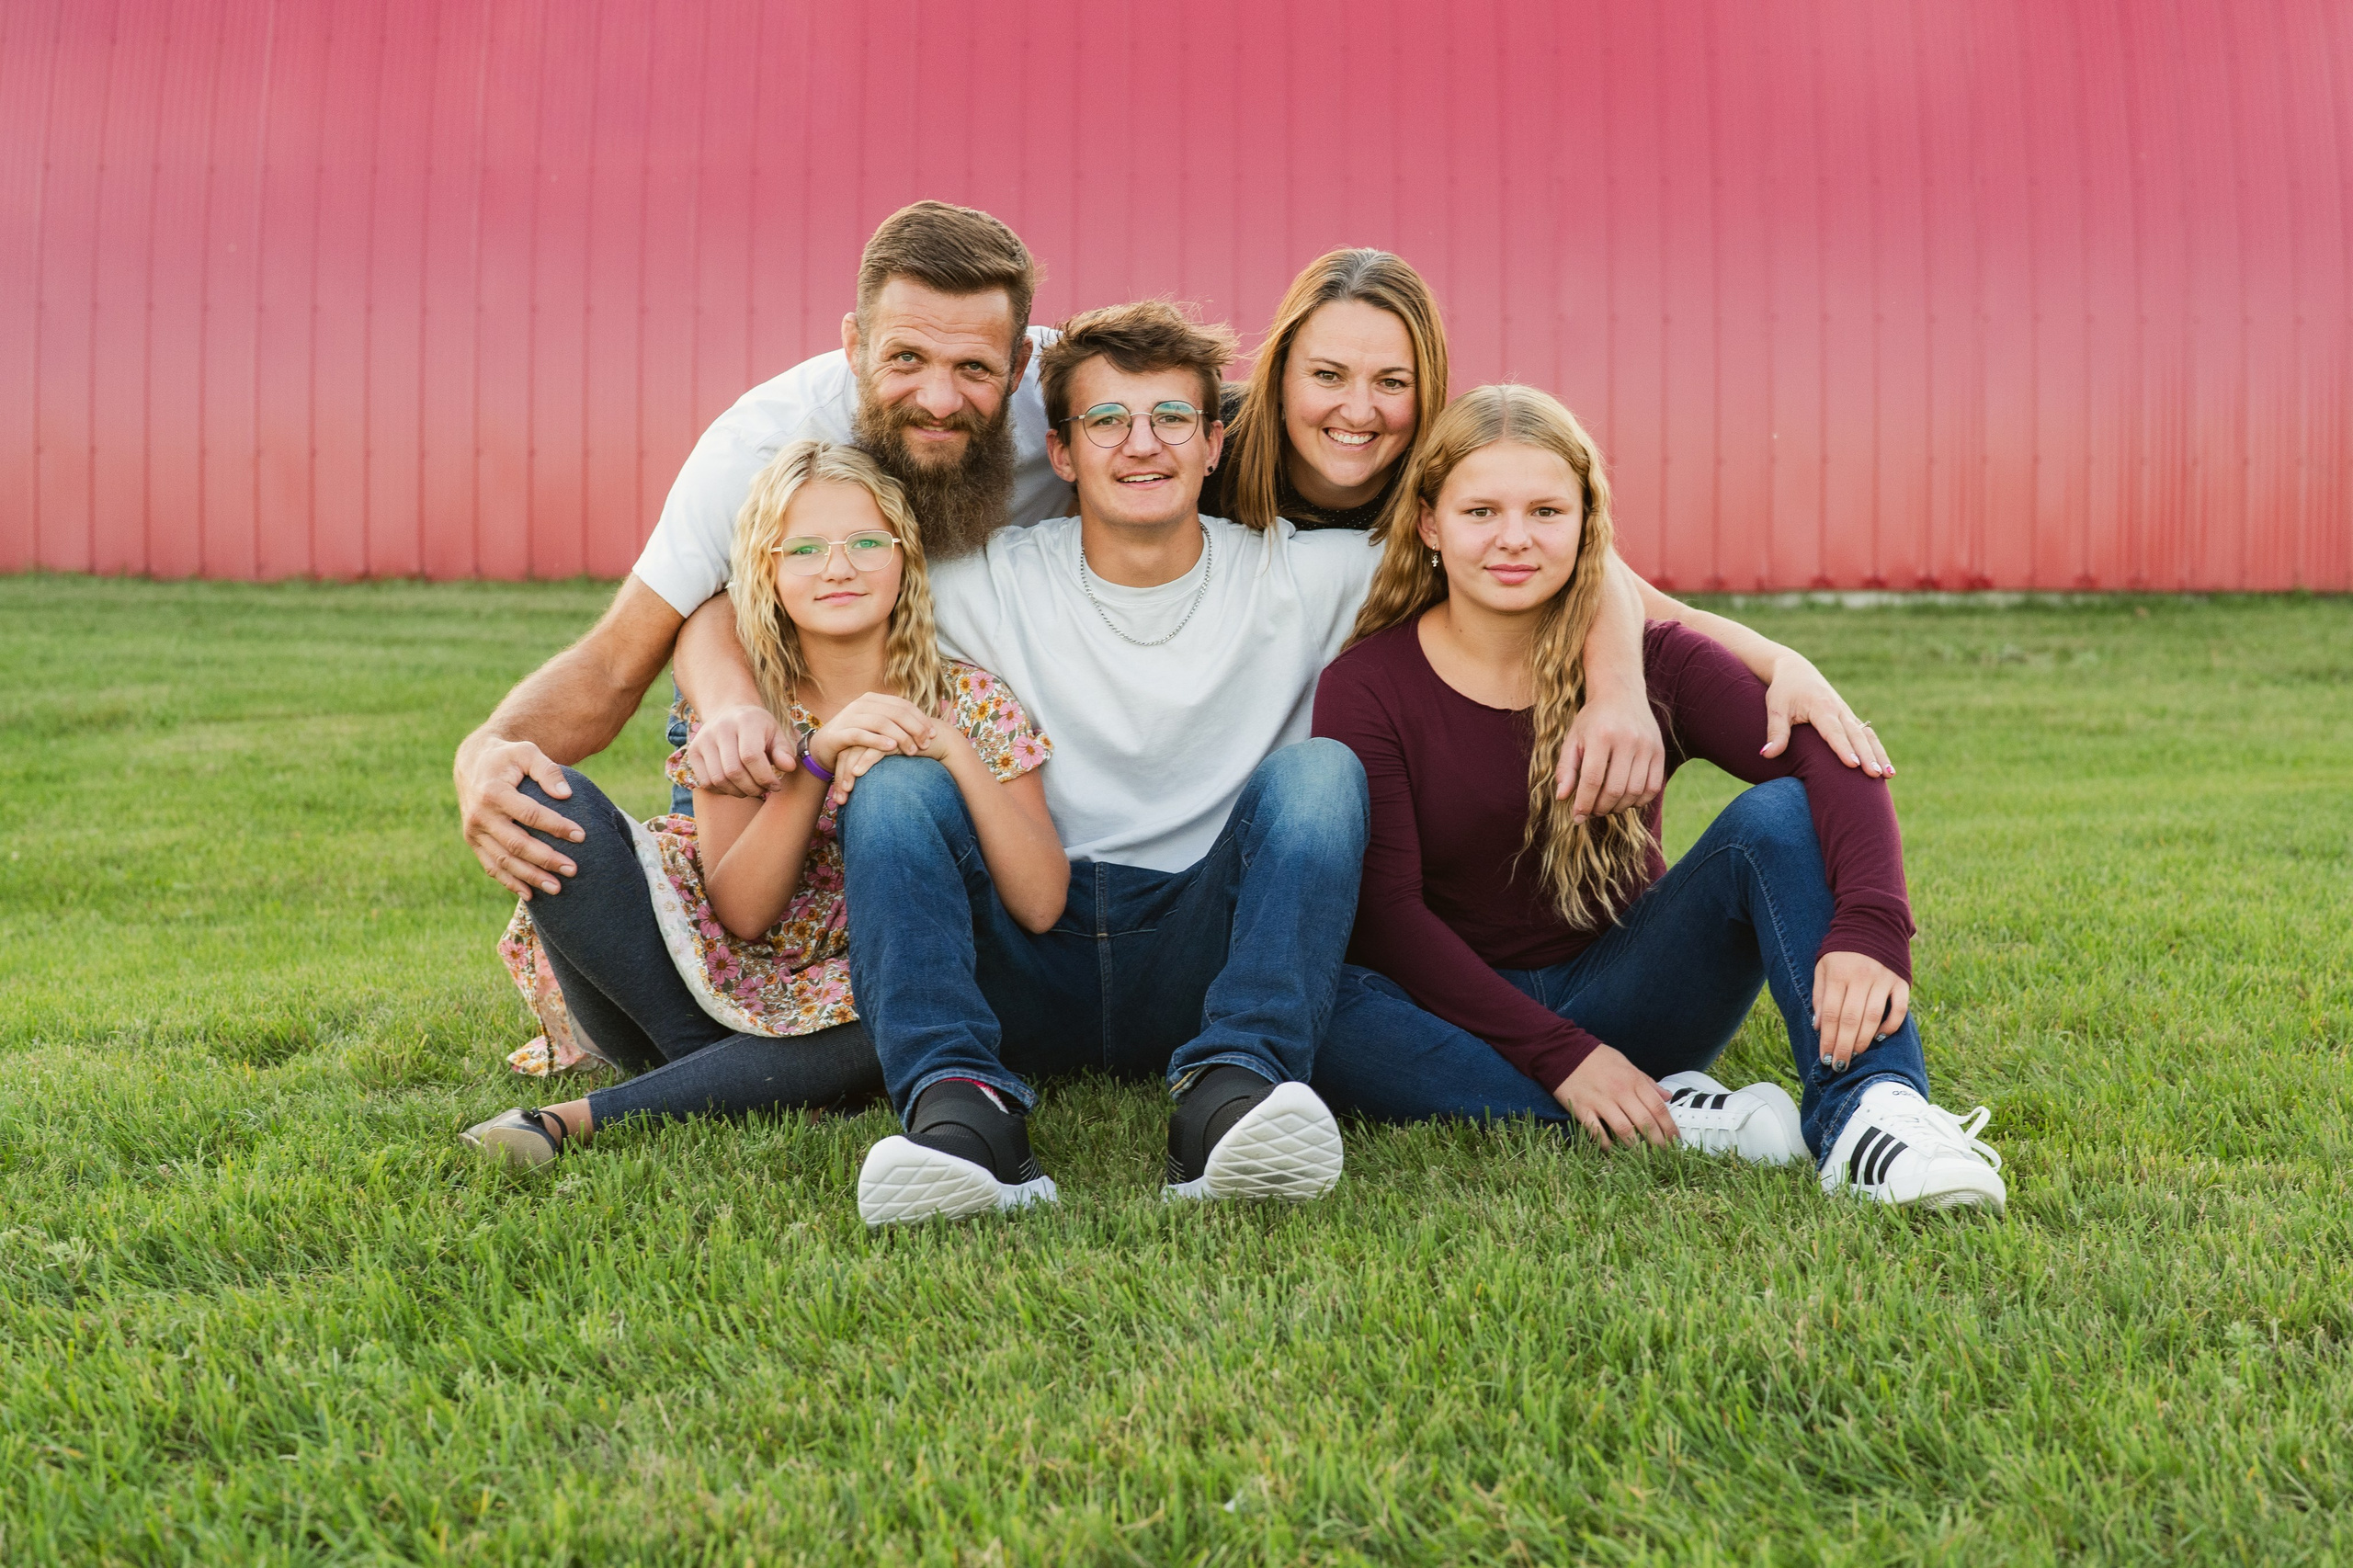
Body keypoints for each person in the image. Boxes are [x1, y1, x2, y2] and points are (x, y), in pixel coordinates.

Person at [1309, 386, 2006, 1213]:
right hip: (1454, 1013)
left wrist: (1872, 923)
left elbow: (1830, 758)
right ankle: (1675, 1114)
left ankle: (1874, 1115)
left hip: (1635, 988)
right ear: (1428, 523)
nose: (1514, 539)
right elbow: (1390, 914)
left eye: (1545, 510)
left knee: (1776, 818)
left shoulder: (1650, 662)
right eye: (1481, 511)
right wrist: (1561, 1056)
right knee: (1324, 1002)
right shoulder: (1367, 686)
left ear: (1586, 526)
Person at [460, 440, 1063, 1167]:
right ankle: (742, 1073)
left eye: (866, 542)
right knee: (540, 792)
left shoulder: (972, 701)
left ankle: (584, 1118)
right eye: (803, 549)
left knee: (902, 1015)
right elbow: (743, 914)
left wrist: (952, 749)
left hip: (861, 995)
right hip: (689, 985)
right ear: (766, 573)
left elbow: (1040, 905)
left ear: (906, 558)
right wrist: (816, 760)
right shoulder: (746, 713)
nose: (837, 566)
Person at [1201, 246, 1895, 776]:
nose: (1358, 410)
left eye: (1393, 382)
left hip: (1356, 772)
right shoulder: (1204, 446)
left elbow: (1609, 580)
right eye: (1327, 375)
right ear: (1280, 368)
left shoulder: (1453, 470)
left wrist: (1779, 663)